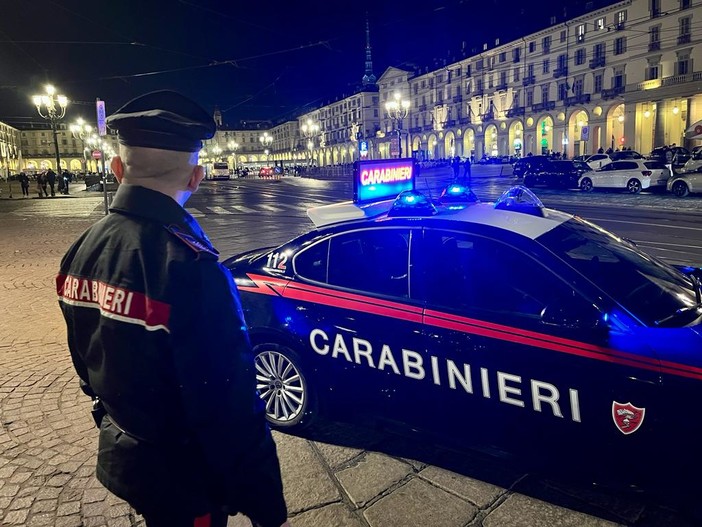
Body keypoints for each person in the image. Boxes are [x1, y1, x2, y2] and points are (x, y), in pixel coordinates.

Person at [56, 90, 290, 527]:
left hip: (129, 457)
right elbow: (229, 405)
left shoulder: (80, 251)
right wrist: (266, 507)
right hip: (185, 477)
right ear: (196, 177)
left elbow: (85, 364)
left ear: (117, 168)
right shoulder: (191, 268)